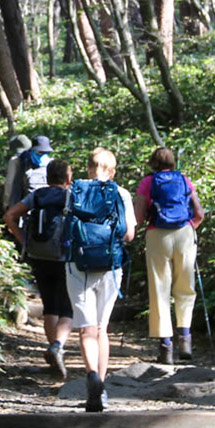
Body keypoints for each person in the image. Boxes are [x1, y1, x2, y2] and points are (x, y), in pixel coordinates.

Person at [66, 147, 135, 412]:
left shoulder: (74, 190)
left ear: (88, 167)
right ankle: (101, 387)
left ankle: (91, 374)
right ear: (113, 171)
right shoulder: (122, 193)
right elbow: (129, 235)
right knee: (102, 329)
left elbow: (67, 227)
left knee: (86, 329)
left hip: (78, 265)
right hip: (110, 264)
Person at [134, 147, 206, 364]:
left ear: (152, 162)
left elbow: (138, 216)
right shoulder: (184, 180)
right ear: (173, 162)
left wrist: (133, 231)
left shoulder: (147, 183)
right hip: (184, 233)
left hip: (157, 234)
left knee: (159, 288)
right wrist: (190, 227)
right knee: (186, 285)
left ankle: (166, 346)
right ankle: (185, 338)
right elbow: (199, 213)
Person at [3, 158, 74, 378]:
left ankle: (54, 351)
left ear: (48, 177)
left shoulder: (37, 196)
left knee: (50, 306)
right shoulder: (71, 197)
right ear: (68, 178)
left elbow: (9, 216)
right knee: (68, 308)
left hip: (38, 256)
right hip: (63, 256)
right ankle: (58, 347)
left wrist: (24, 240)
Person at [7, 136, 54, 206]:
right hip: (27, 207)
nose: (42, 155)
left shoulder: (53, 164)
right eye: (40, 152)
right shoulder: (22, 163)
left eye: (46, 153)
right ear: (32, 150)